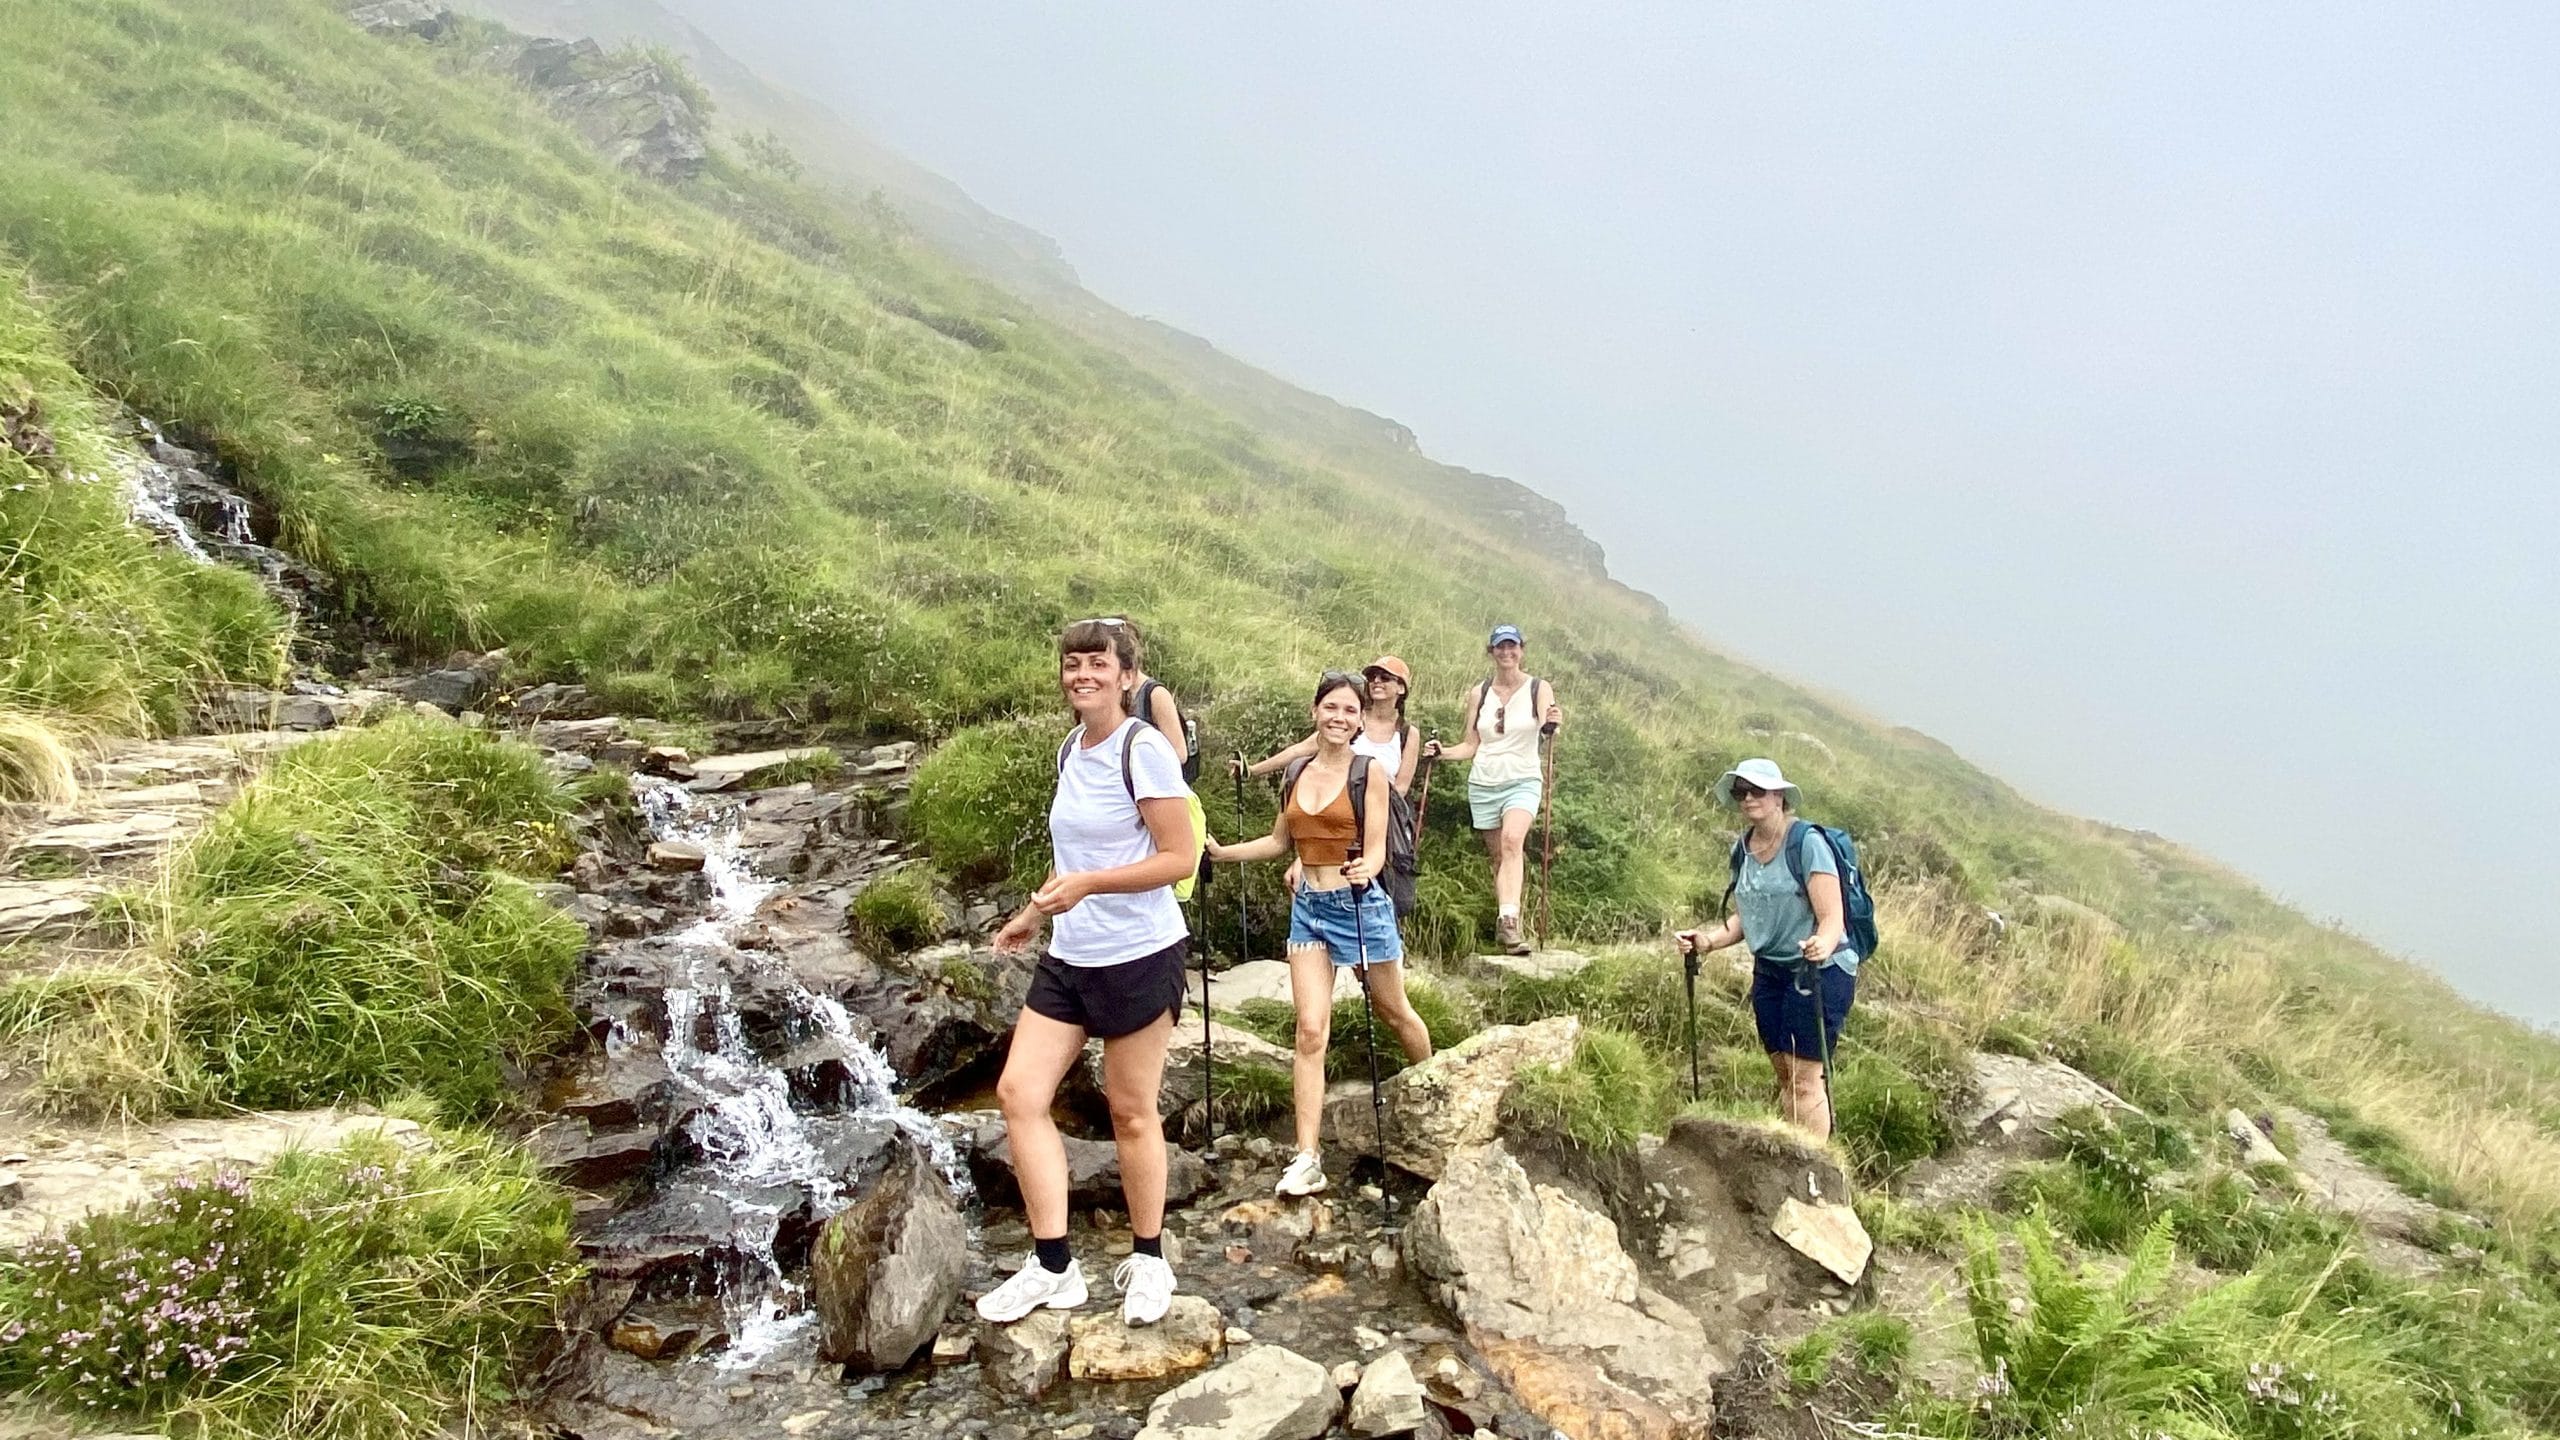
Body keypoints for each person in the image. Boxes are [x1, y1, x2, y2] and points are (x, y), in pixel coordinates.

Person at [977, 618, 1195, 1327]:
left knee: (1130, 1111)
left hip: (1140, 954)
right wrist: (1033, 913)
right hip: (1071, 954)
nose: (1083, 675)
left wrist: (1091, 886)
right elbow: (1073, 856)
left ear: (1127, 676)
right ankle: (1053, 1266)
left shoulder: (1144, 750)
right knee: (1019, 1093)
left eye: (1099, 663)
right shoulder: (1072, 747)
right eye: (1073, 664)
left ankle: (1149, 1258)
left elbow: (1180, 858)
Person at [1206, 670, 1432, 1196]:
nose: (1340, 717)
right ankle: (1307, 1156)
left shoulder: (1368, 772)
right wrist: (1223, 853)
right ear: (1315, 711)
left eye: (1350, 710)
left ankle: (1437, 1087)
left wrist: (1366, 869)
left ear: (1360, 721)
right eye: (1331, 707)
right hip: (1309, 908)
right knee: (1310, 1031)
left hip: (1359, 906)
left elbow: (1376, 848)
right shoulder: (1296, 772)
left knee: (1394, 1011)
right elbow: (1279, 842)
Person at [1673, 758, 1858, 1140]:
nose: (1747, 798)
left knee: (1805, 1079)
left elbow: (1832, 917)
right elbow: (1748, 916)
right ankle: (1793, 1150)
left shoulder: (1807, 843)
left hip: (1819, 972)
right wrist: (1708, 942)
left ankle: (1813, 1163)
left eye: (1757, 790)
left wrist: (1821, 945)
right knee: (1785, 1074)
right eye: (1741, 791)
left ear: (1779, 797)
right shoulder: (1743, 849)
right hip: (1770, 973)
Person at [1421, 625, 1562, 955]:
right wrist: (1441, 753)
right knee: (1499, 856)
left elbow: (1549, 725)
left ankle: (1509, 922)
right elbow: (1471, 745)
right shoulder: (1479, 693)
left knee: (1512, 841)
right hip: (1484, 782)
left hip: (1523, 779)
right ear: (1492, 651)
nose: (1506, 652)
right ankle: (1506, 918)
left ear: (1521, 650)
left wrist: (1554, 722)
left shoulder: (1538, 688)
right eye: (1500, 647)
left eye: (1512, 646)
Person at [1235, 657, 1422, 892]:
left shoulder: (1405, 733)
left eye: (1385, 677)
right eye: (1372, 676)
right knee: (1304, 881)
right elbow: (1297, 751)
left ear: (1401, 688)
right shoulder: (1340, 725)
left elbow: (1400, 788)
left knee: (1385, 892)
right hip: (1336, 819)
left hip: (1379, 822)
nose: (1376, 681)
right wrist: (1251, 770)